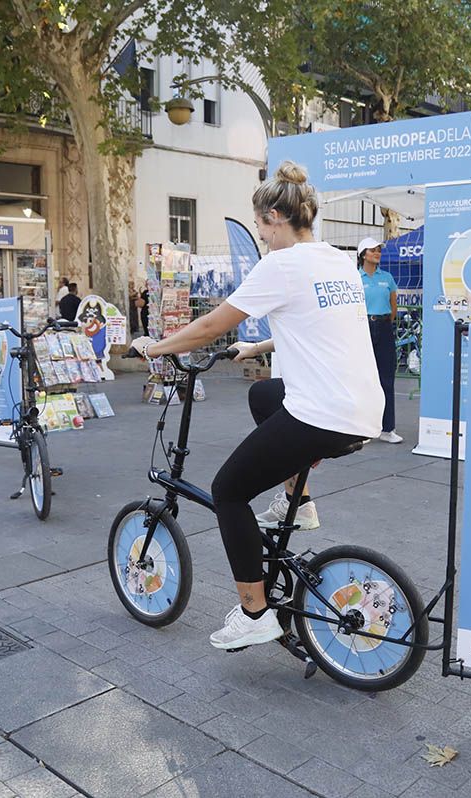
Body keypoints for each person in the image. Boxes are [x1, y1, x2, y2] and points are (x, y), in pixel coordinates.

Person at [128, 161, 382, 650]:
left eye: (262, 227)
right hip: (362, 408)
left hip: (322, 415)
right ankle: (297, 502)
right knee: (263, 394)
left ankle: (255, 612)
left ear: (274, 217)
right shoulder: (335, 259)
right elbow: (315, 326)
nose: (262, 238)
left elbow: (209, 327)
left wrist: (155, 347)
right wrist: (257, 348)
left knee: (227, 490)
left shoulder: (281, 264)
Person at [357, 237, 402, 444]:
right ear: (363, 255)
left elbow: (393, 307)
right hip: (363, 328)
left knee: (386, 379)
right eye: (372, 250)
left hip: (383, 328)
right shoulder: (356, 278)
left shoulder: (388, 278)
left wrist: (383, 323)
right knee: (363, 379)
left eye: (379, 250)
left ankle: (387, 428)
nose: (377, 253)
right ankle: (363, 429)